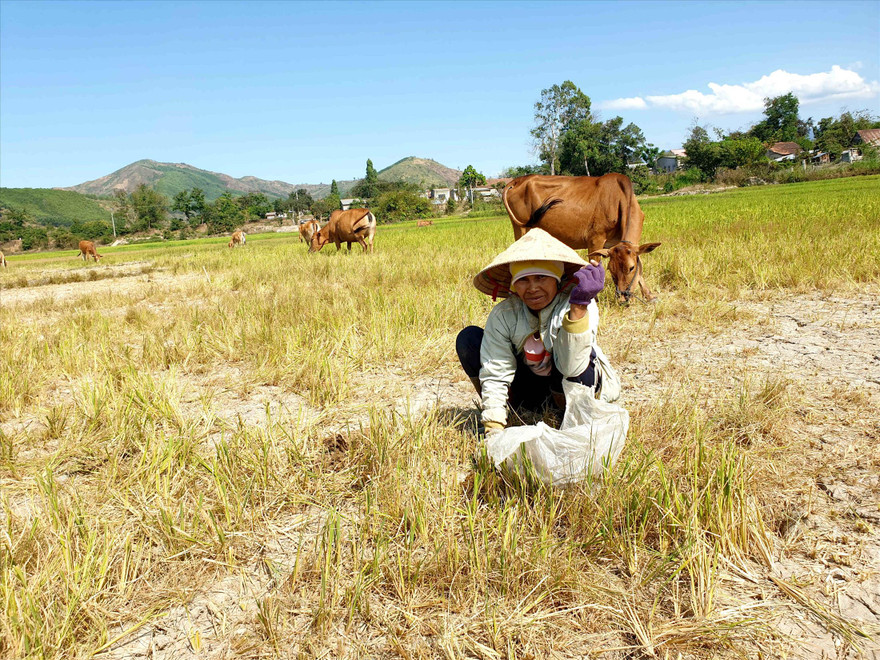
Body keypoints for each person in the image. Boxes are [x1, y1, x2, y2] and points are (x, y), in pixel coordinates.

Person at [456, 228, 620, 436]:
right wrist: (493, 428)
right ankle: (512, 411)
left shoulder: (579, 304)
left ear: (557, 280)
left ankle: (572, 418)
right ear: (514, 285)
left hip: (569, 386)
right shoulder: (505, 314)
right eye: (523, 280)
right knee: (468, 339)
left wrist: (578, 309)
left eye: (541, 277)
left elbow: (573, 366)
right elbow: (496, 371)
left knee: (574, 348)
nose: (532, 288)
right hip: (528, 389)